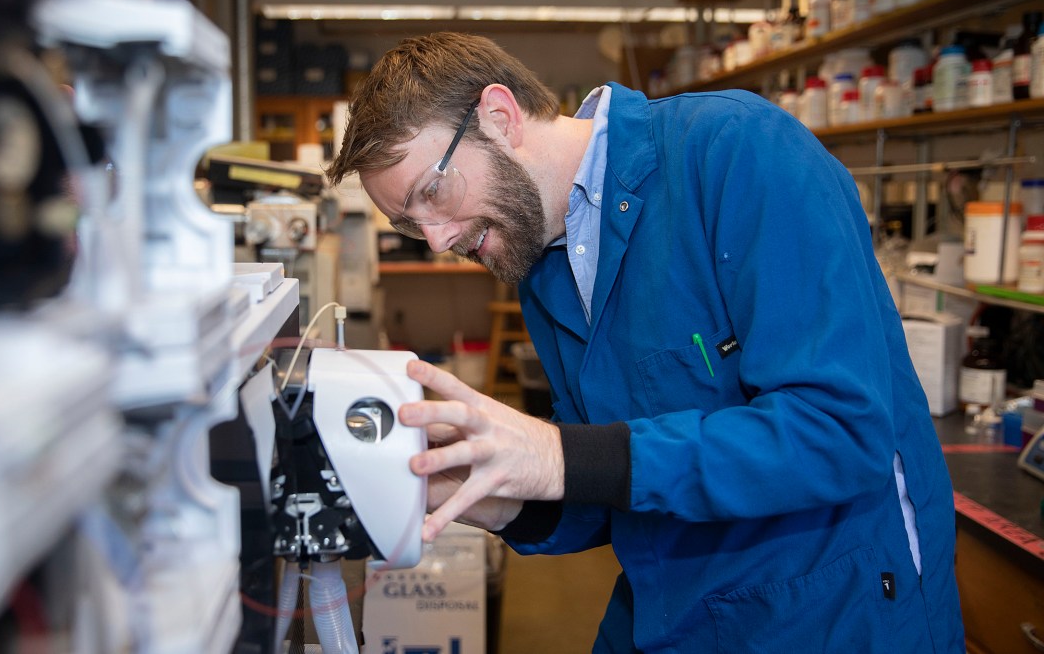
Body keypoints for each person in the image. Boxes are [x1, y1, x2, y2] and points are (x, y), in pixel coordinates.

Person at [324, 32, 964, 653]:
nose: (436, 240)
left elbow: (839, 433)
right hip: (675, 611)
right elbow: (618, 483)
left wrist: (555, 454)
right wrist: (478, 490)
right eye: (410, 225)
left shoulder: (734, 151)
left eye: (431, 194)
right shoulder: (542, 263)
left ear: (499, 115)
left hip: (830, 615)